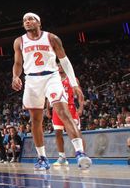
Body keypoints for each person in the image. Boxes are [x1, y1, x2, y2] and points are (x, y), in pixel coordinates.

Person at [11, 12, 91, 170]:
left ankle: (80, 153)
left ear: (39, 22)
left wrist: (74, 83)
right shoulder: (19, 41)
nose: (27, 22)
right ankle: (42, 158)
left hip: (51, 77)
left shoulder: (52, 38)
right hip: (32, 80)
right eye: (24, 20)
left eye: (31, 19)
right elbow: (18, 63)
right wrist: (15, 76)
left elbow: (65, 61)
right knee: (35, 120)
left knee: (63, 111)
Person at [50, 61, 85, 166]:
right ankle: (62, 157)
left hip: (70, 108)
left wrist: (81, 108)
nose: (59, 67)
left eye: (61, 65)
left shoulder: (72, 79)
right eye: (58, 65)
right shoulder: (53, 80)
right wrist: (47, 108)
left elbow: (80, 95)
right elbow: (49, 95)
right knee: (57, 133)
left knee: (76, 131)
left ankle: (82, 155)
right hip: (56, 109)